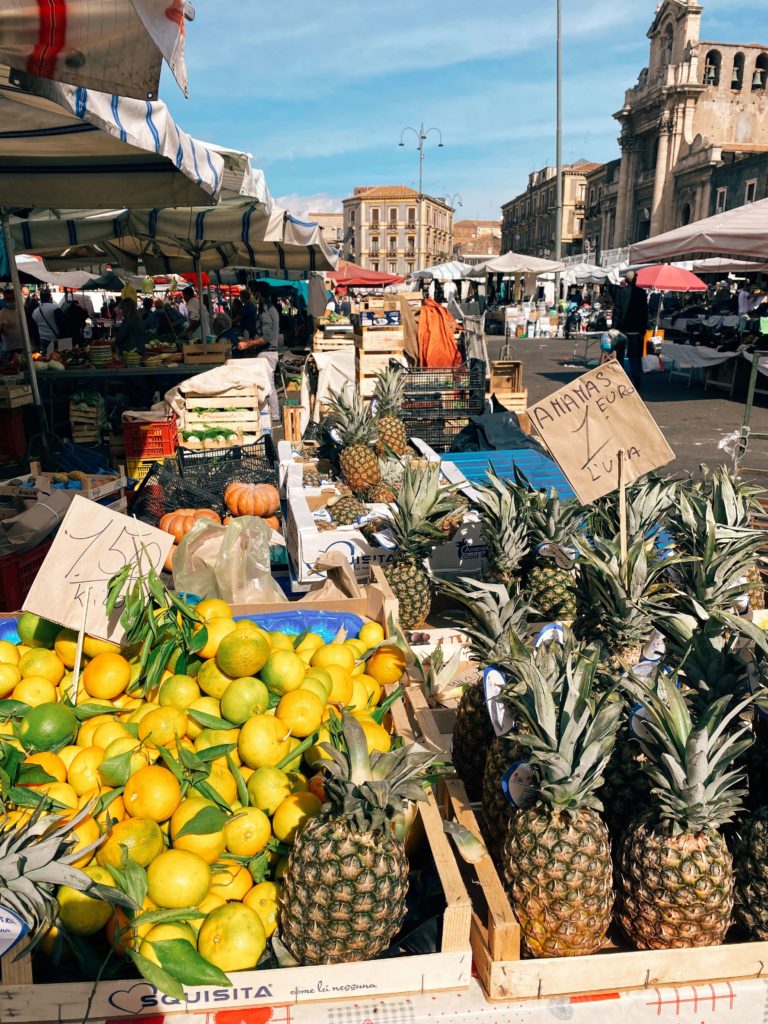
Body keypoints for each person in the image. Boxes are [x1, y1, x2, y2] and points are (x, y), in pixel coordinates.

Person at [238, 283, 280, 421]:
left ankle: (273, 416)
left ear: (259, 294)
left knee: (268, 386)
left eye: (253, 292)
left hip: (267, 353)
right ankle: (272, 415)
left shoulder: (267, 311)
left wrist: (248, 344)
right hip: (268, 352)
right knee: (268, 384)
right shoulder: (267, 308)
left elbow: (267, 337)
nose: (252, 296)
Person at [611, 270, 648, 391]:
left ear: (626, 280)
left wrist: (614, 328)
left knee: (620, 355)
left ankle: (620, 380)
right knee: (634, 356)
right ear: (636, 279)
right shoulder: (642, 293)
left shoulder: (620, 293)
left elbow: (616, 312)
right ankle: (636, 380)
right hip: (636, 330)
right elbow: (644, 313)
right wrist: (644, 329)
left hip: (622, 329)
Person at [0, 288, 24, 353]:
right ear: (5, 300)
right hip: (10, 348)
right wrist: (4, 330)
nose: (10, 300)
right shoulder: (3, 313)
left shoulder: (19, 310)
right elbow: (3, 325)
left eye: (12, 298)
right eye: (8, 299)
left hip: (22, 345)